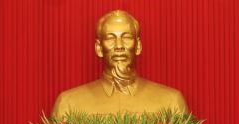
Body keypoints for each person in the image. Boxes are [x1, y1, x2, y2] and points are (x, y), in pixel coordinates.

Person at [51, 10, 188, 117]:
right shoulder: (68, 104)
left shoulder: (171, 102)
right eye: (110, 38)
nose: (119, 46)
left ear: (138, 46)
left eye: (126, 37)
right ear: (99, 48)